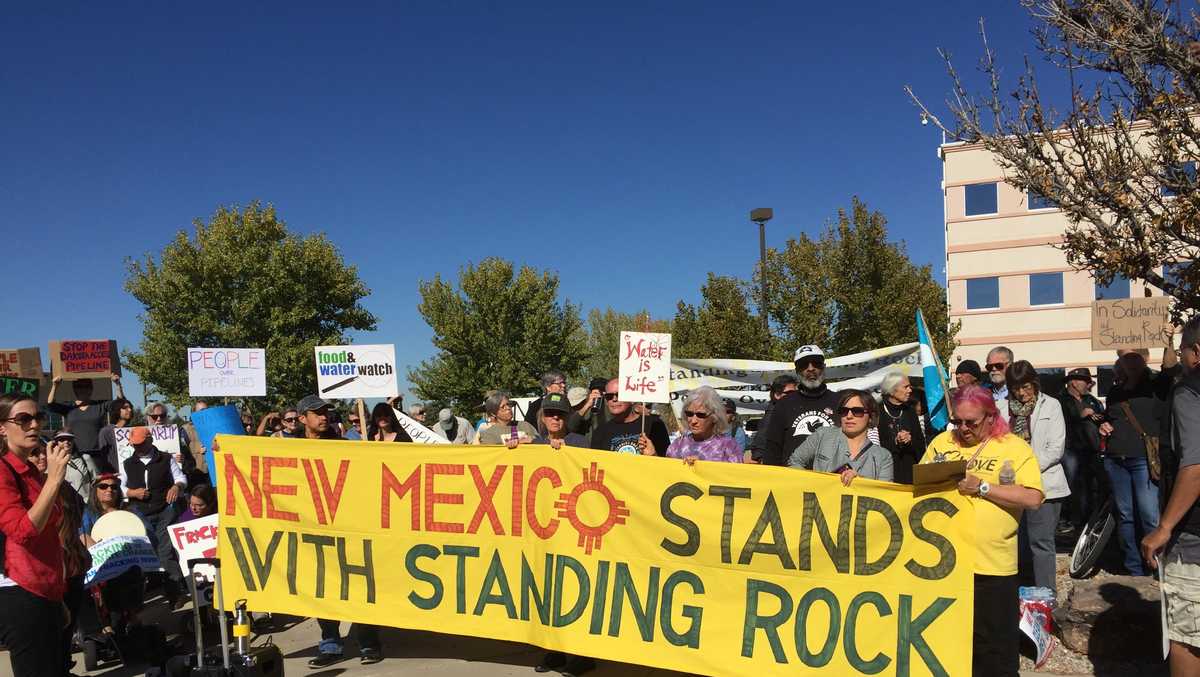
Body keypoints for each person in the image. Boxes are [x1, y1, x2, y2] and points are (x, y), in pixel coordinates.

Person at [920, 385, 1044, 677]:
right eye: (957, 421)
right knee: (947, 645)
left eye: (971, 422)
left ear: (991, 417)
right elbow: (918, 487)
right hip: (944, 565)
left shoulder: (1013, 447)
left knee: (995, 651)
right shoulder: (941, 443)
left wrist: (984, 487)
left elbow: (1033, 498)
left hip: (992, 567)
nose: (962, 429)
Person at [296, 395, 383, 667]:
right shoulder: (287, 449)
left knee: (358, 586)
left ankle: (368, 643)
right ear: (302, 419)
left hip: (348, 527)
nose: (324, 417)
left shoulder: (345, 446)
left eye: (326, 412)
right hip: (312, 529)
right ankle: (330, 644)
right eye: (317, 413)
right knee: (324, 589)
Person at [1142, 316, 1200, 675]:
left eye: (1182, 352)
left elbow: (1195, 465)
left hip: (1194, 536)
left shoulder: (1190, 391)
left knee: (1187, 637)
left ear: (1196, 352)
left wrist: (1163, 528)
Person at [0, 393, 72, 677]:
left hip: (45, 590)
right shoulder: (3, 471)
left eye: (38, 417)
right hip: (20, 591)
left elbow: (50, 534)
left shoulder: (31, 471)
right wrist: (54, 479)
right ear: (2, 427)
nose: (34, 425)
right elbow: (24, 531)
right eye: (23, 419)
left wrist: (58, 596)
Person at [1005, 360, 1069, 596]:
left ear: (1035, 383)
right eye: (1016, 388)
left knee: (1040, 544)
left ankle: (1045, 598)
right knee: (1016, 544)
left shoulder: (1051, 405)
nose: (1021, 393)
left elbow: (1055, 448)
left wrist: (1027, 470)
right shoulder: (1002, 409)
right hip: (1011, 486)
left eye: (1026, 387)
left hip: (1044, 485)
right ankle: (1020, 596)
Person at [1101, 351, 1165, 576]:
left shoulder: (1156, 386)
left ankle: (1157, 568)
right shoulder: (1115, 392)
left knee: (1149, 516)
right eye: (1125, 358)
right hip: (1116, 458)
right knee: (1126, 516)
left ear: (1144, 360)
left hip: (1142, 459)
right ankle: (1133, 568)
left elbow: (1171, 369)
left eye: (1134, 357)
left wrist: (1167, 342)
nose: (1130, 362)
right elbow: (1110, 418)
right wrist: (1104, 426)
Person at [122, 426, 187, 607]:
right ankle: (148, 594)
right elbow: (120, 486)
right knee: (145, 554)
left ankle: (176, 593)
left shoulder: (166, 459)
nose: (138, 448)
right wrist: (132, 492)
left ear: (150, 440)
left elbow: (181, 478)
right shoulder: (127, 463)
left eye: (141, 444)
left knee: (166, 553)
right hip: (140, 513)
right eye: (135, 445)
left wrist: (176, 487)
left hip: (164, 511)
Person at [789, 389, 894, 484]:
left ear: (871, 417)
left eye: (857, 411)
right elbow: (795, 461)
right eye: (844, 411)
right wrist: (813, 484)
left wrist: (860, 483)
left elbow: (884, 493)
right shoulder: (822, 435)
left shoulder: (883, 457)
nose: (849, 416)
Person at [760, 345, 841, 466]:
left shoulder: (840, 402)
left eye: (816, 363)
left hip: (834, 481)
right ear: (797, 371)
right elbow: (772, 451)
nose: (810, 368)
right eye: (804, 365)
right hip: (792, 481)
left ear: (824, 368)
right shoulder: (783, 405)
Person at [1057, 368, 1105, 533]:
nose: (1090, 385)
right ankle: (1066, 519)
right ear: (1074, 382)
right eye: (1087, 381)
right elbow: (1060, 424)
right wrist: (1080, 416)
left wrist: (1101, 420)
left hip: (1092, 449)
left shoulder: (1092, 400)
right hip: (1070, 449)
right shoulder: (1060, 401)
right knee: (1071, 485)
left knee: (1091, 485)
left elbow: (1103, 416)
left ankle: (1087, 521)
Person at [46, 374, 125, 466]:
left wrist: (117, 384)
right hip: (76, 455)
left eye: (87, 386)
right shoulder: (69, 407)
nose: (83, 389)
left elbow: (120, 404)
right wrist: (55, 385)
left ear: (91, 389)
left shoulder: (100, 405)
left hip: (99, 454)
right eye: (79, 387)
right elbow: (50, 404)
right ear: (74, 389)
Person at [589, 379, 670, 455]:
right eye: (609, 396)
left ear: (632, 399)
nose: (614, 399)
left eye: (619, 395)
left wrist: (653, 455)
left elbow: (668, 463)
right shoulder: (600, 431)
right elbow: (595, 464)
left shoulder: (654, 424)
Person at [664, 387, 742, 464]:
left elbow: (736, 474)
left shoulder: (728, 446)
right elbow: (666, 473)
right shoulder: (677, 445)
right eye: (689, 414)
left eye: (701, 415)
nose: (693, 421)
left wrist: (704, 466)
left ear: (715, 417)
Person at [876, 372, 927, 484]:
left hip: (910, 475)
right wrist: (895, 441)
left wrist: (910, 440)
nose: (910, 390)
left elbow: (921, 444)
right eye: (906, 387)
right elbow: (874, 446)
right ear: (892, 390)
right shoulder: (876, 412)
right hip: (886, 475)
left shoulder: (910, 411)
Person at [748, 374, 798, 464]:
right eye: (790, 393)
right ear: (777, 395)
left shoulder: (786, 412)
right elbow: (759, 447)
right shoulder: (773, 416)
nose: (795, 396)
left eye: (796, 393)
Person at [146, 401, 196, 478]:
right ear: (148, 417)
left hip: (173, 481)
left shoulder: (176, 437)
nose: (159, 419)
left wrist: (183, 461)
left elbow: (191, 463)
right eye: (155, 417)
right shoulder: (140, 437)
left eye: (162, 416)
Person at [476, 391, 540, 448]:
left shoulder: (525, 426)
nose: (508, 408)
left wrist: (532, 439)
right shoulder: (489, 434)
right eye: (503, 407)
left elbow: (542, 442)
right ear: (493, 413)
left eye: (508, 404)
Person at [56, 430, 98, 504]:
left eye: (69, 439)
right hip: (63, 506)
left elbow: (96, 481)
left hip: (84, 505)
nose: (66, 442)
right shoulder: (51, 463)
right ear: (56, 443)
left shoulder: (85, 458)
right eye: (62, 439)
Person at [96, 397, 134, 474]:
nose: (129, 410)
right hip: (116, 474)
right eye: (125, 408)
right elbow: (104, 456)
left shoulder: (134, 430)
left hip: (133, 472)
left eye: (130, 407)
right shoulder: (106, 431)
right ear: (117, 410)